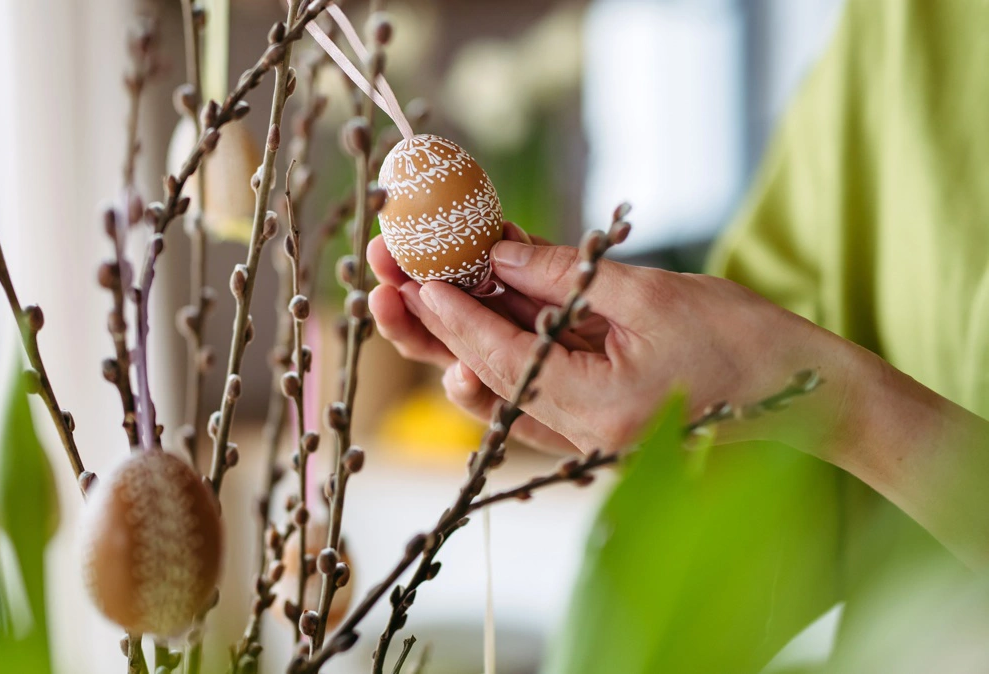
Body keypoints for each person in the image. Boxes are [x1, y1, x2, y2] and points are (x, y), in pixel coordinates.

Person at [369, 0, 989, 669]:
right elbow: (793, 503)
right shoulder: (903, 23)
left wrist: (845, 404)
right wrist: (680, 430)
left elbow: (812, 385)